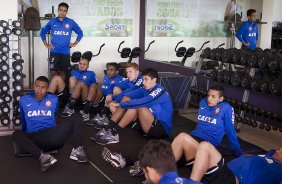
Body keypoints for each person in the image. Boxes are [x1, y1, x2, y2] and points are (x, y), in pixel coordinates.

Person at [12, 76, 87, 172]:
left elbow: (54, 115)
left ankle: (78, 150)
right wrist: (25, 139)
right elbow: (23, 119)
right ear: (33, 86)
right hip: (35, 138)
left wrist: (55, 130)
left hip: (52, 137)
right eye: (37, 86)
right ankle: (43, 157)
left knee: (77, 116)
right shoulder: (23, 100)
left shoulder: (53, 99)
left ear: (47, 89)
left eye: (43, 87)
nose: (39, 90)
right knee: (16, 134)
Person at [92, 68, 173, 145]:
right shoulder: (146, 89)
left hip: (161, 131)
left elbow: (143, 102)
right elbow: (127, 94)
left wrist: (119, 104)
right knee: (127, 98)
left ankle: (114, 133)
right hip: (148, 124)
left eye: (146, 79)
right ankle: (109, 128)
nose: (143, 82)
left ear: (154, 80)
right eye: (143, 79)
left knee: (139, 106)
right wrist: (113, 99)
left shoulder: (159, 90)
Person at [171, 85, 243, 169]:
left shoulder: (225, 108)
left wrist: (238, 151)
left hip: (207, 143)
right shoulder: (203, 102)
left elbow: (230, 130)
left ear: (221, 99)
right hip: (194, 136)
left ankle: (165, 167)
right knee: (177, 151)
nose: (209, 99)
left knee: (182, 136)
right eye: (208, 95)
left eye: (213, 97)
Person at [190, 141, 282, 184]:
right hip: (221, 172)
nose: (278, 150)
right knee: (183, 138)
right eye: (280, 148)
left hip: (231, 179)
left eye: (281, 152)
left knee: (205, 146)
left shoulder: (279, 170)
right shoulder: (270, 154)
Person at [40, 2, 83, 80]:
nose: (62, 12)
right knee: (53, 72)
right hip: (54, 51)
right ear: (58, 10)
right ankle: (53, 91)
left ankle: (62, 91)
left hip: (65, 52)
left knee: (64, 73)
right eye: (61, 10)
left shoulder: (70, 22)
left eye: (64, 10)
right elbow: (42, 32)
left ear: (67, 12)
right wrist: (46, 44)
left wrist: (74, 43)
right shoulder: (52, 21)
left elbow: (80, 33)